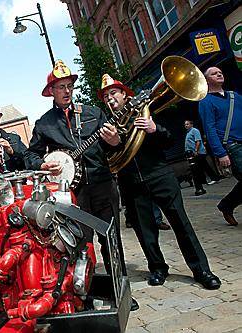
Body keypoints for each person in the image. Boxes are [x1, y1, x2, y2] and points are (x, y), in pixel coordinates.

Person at [24, 60, 139, 311]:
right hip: (73, 195)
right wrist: (43, 163)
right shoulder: (44, 124)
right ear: (51, 92)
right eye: (60, 87)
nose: (66, 91)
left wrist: (116, 140)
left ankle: (120, 290)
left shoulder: (92, 113)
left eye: (69, 86)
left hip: (102, 184)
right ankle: (82, 295)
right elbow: (29, 156)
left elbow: (113, 146)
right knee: (79, 245)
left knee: (111, 241)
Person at [99, 73, 221, 290]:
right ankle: (157, 268)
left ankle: (202, 270)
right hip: (132, 183)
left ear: (126, 95)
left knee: (181, 223)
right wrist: (116, 143)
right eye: (106, 96)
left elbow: (170, 140)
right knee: (145, 231)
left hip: (160, 175)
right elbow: (109, 157)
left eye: (113, 93)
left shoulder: (147, 109)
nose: (109, 99)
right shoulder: (107, 126)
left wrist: (154, 130)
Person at [198, 67, 241, 226]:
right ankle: (227, 205)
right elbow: (209, 129)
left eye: (220, 72)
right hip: (231, 146)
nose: (219, 73)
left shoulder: (234, 96)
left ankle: (226, 205)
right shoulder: (206, 101)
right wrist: (220, 153)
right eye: (213, 73)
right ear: (207, 80)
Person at [184, 120, 222, 195]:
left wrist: (196, 150)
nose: (186, 126)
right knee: (203, 165)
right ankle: (212, 178)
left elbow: (198, 141)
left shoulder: (194, 130)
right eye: (185, 124)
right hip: (192, 153)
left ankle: (213, 178)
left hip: (198, 153)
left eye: (187, 124)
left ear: (191, 124)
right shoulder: (188, 132)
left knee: (201, 167)